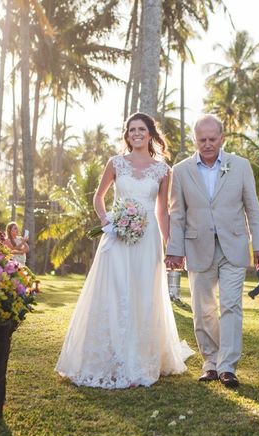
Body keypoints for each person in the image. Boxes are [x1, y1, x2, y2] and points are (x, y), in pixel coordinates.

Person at [55, 112, 193, 389]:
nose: (136, 134)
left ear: (151, 133)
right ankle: (112, 356)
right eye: (132, 130)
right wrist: (108, 221)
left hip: (148, 239)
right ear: (127, 135)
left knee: (143, 293)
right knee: (115, 291)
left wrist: (171, 248)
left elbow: (163, 211)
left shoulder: (164, 170)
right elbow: (98, 196)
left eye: (141, 129)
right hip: (118, 236)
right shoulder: (115, 163)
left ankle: (140, 358)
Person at [165, 114, 259, 388]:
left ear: (222, 138)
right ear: (195, 139)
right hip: (197, 246)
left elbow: (253, 209)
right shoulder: (181, 170)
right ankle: (210, 362)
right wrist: (174, 249)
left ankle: (227, 367)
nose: (207, 144)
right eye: (202, 139)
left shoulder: (241, 166)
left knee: (231, 305)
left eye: (212, 139)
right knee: (203, 308)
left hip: (233, 246)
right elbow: (177, 214)